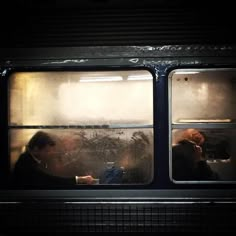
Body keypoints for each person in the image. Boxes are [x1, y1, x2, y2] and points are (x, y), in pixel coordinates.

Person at [11, 131, 96, 187]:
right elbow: (48, 180)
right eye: (47, 151)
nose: (50, 154)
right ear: (36, 149)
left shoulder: (31, 159)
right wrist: (79, 179)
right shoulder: (26, 163)